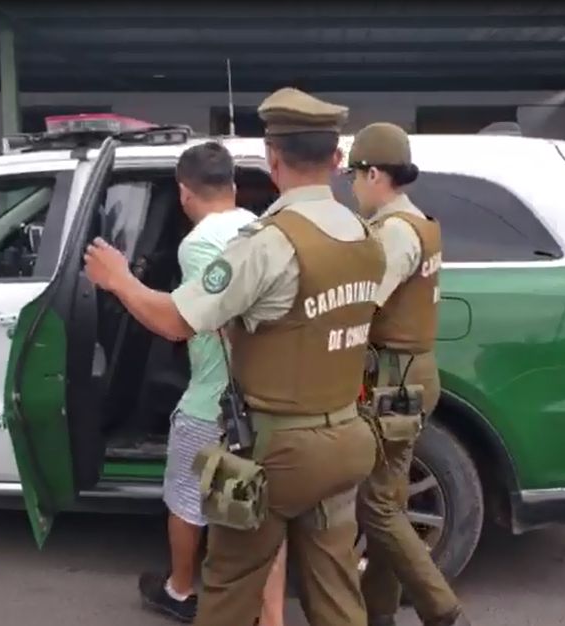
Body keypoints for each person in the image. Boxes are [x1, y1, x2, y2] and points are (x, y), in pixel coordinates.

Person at [83, 86, 383, 626]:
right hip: (346, 438)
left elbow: (177, 321)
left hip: (265, 452)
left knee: (226, 586)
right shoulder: (363, 235)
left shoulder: (267, 242)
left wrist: (121, 280)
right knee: (337, 593)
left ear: (271, 159)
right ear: (337, 161)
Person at [132, 141, 287, 625]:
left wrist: (122, 282)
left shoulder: (198, 244)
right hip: (267, 399)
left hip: (216, 402)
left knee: (186, 494)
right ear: (234, 187)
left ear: (183, 193)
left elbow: (191, 320)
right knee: (261, 512)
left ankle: (180, 589)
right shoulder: (261, 228)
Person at [347, 123, 470, 626]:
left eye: (355, 175)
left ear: (374, 173)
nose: (352, 186)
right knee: (389, 503)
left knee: (376, 506)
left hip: (393, 383)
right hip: (409, 376)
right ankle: (379, 615)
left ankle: (442, 611)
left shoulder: (396, 231)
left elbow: (362, 304)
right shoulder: (420, 222)